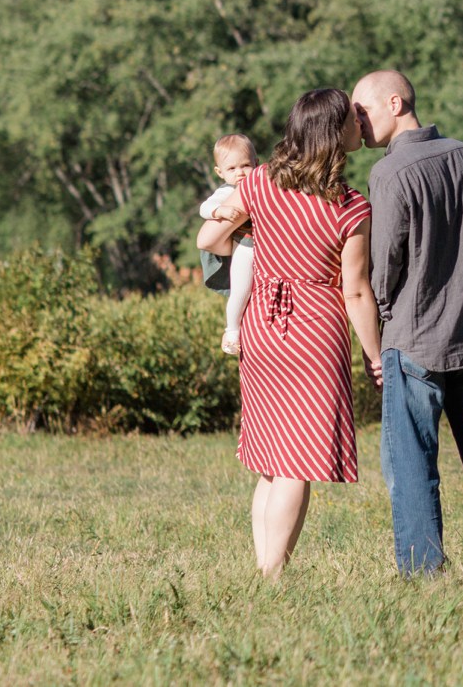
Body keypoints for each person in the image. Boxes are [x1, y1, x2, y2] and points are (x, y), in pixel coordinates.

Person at [197, 88, 383, 577]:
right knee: (298, 461)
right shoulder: (351, 207)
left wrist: (253, 244)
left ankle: (264, 570)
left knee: (271, 457)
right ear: (334, 134)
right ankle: (274, 575)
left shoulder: (258, 184)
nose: (358, 126)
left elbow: (212, 239)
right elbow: (357, 292)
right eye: (351, 120)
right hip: (314, 330)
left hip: (261, 320)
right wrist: (374, 355)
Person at [351, 68, 463, 575]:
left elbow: (384, 272)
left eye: (364, 111)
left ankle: (425, 574)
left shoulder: (388, 174)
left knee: (412, 464)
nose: (355, 122)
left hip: (414, 340)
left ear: (397, 103)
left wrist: (377, 340)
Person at [198, 133, 258, 356]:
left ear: (257, 163)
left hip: (261, 245)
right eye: (232, 169)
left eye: (245, 165)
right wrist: (220, 210)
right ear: (220, 172)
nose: (240, 173)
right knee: (241, 287)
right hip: (244, 244)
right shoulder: (226, 192)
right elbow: (204, 208)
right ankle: (232, 330)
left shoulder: (260, 186)